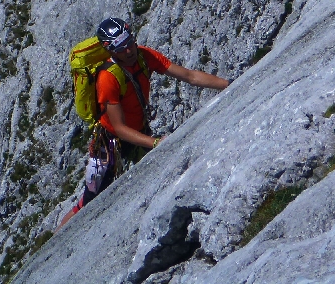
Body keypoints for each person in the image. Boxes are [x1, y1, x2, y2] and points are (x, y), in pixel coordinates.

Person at [59, 17, 229, 226]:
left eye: (130, 42)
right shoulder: (108, 78)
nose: (129, 50)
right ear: (109, 50)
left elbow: (189, 76)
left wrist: (228, 84)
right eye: (121, 48)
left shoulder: (143, 56)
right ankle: (56, 243)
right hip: (110, 144)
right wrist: (156, 143)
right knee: (88, 201)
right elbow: (119, 129)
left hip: (138, 132)